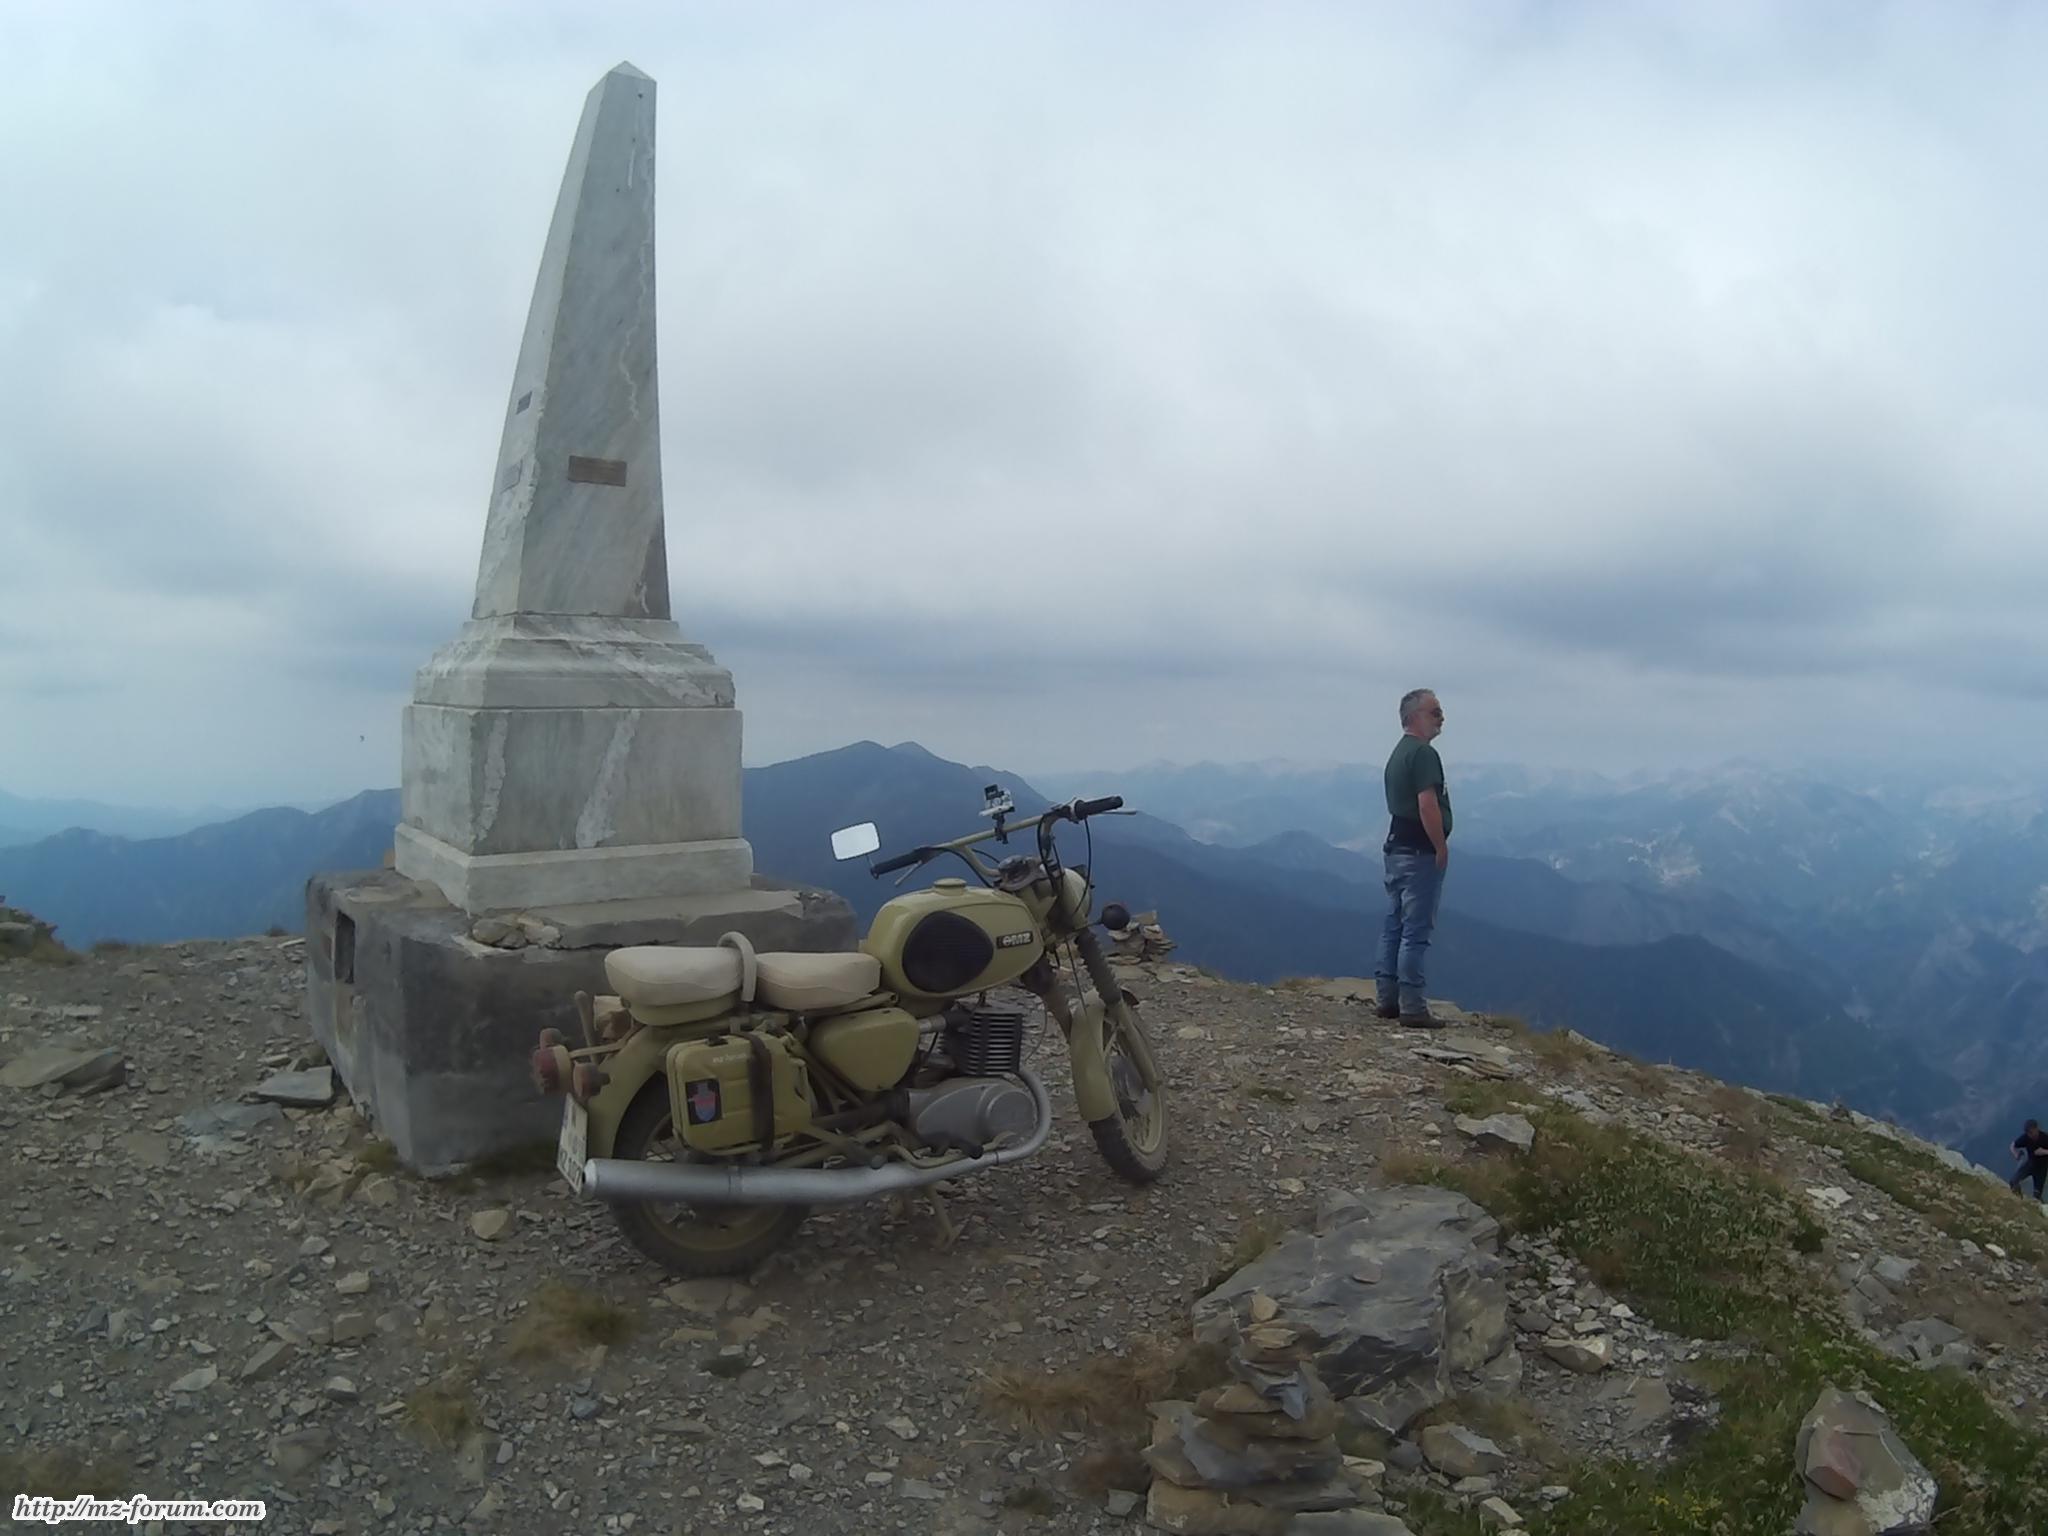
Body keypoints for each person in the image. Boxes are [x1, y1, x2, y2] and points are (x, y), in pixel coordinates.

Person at [1375, 688, 1450, 1028]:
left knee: (1394, 924)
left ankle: (1387, 999)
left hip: (1396, 847)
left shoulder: (1399, 752)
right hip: (1419, 850)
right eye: (1435, 712)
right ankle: (1413, 1007)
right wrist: (1440, 846)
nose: (1441, 717)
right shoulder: (1423, 754)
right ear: (1415, 716)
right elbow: (1427, 804)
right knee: (1415, 931)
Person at [2011, 1119, 2048, 1201]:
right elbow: (2013, 1145)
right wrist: (2016, 1154)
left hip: (2041, 1169)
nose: (2030, 1135)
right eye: (2028, 1133)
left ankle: (2040, 1206)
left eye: (2031, 1132)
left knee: (2037, 1196)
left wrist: (2043, 1151)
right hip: (2030, 1165)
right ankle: (2018, 1201)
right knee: (2013, 1182)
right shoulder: (2026, 1138)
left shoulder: (2045, 1138)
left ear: (2037, 1128)